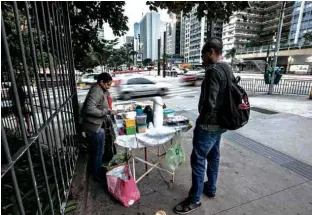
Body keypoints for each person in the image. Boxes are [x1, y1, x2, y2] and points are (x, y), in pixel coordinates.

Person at [174, 37, 232, 214]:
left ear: (212, 52)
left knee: (198, 160)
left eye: (203, 55)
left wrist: (201, 121)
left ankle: (195, 199)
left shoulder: (213, 71)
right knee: (213, 156)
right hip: (222, 123)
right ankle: (211, 188)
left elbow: (210, 102)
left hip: (209, 125)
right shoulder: (227, 68)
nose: (202, 59)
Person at [81, 72, 113, 181]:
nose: (109, 87)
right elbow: (89, 108)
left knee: (99, 150)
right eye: (108, 84)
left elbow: (102, 103)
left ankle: (96, 169)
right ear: (101, 82)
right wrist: (104, 112)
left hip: (97, 125)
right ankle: (96, 173)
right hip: (93, 126)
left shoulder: (102, 90)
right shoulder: (96, 90)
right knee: (98, 151)